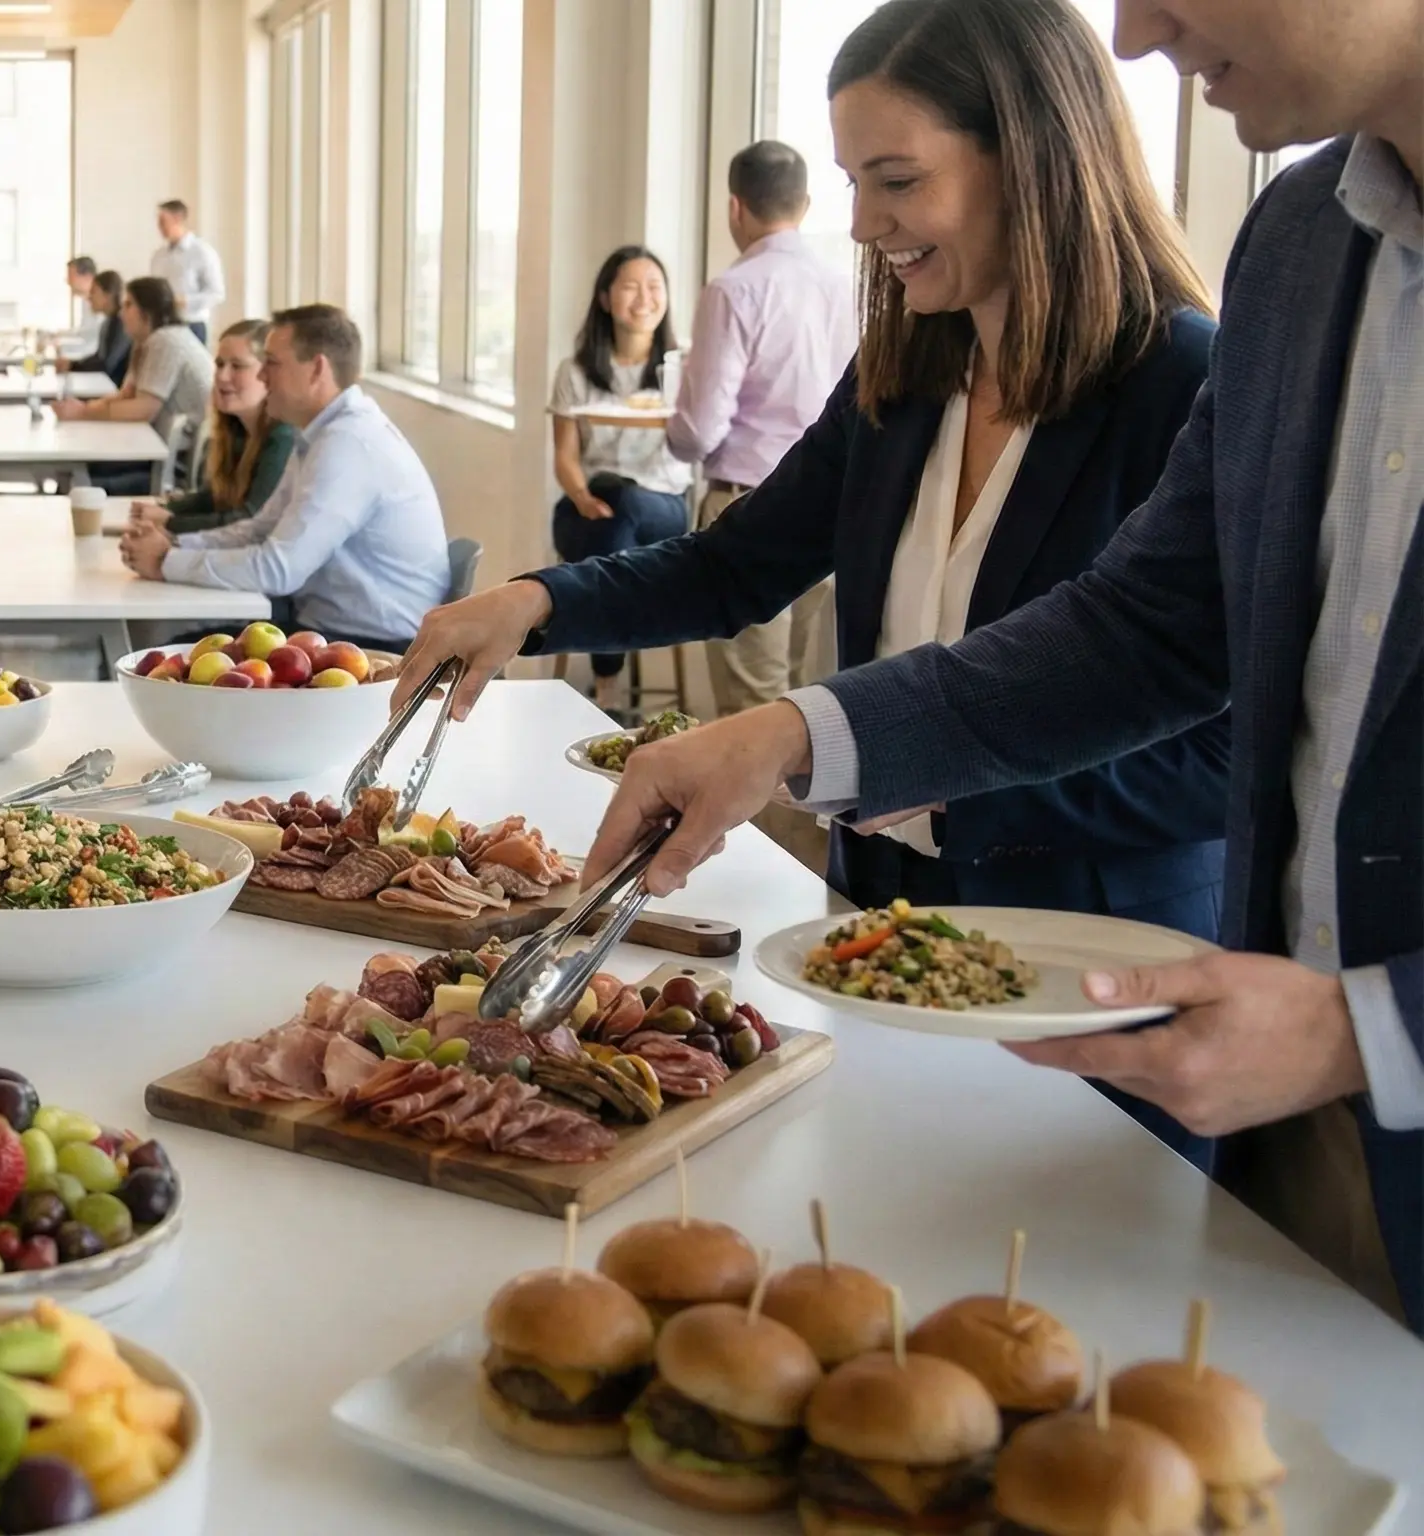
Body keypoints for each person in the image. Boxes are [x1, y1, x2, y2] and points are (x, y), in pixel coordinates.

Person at [568, 0, 1424, 1330]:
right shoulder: (1309, 240)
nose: (1134, 32)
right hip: (1277, 1110)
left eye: (894, 179)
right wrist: (793, 737)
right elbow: (1146, 628)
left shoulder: (1175, 351)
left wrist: (1381, 1031)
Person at [398, 0, 1231, 1165]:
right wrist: (536, 602)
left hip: (1100, 988)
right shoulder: (908, 371)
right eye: (851, 181)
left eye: (895, 180)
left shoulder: (1187, 381)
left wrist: (926, 776)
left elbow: (1225, 761)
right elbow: (739, 564)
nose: (862, 222)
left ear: (1032, 160)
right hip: (883, 938)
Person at [121, 306, 449, 651]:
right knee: (174, 649)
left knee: (170, 654)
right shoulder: (321, 434)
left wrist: (165, 562)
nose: (262, 377)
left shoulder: (348, 444)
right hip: (330, 631)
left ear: (316, 369)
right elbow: (259, 528)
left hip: (376, 649)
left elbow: (279, 569)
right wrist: (175, 545)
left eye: (272, 364)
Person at [667, 140, 860, 718]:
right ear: (804, 204)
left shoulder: (735, 288)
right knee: (812, 711)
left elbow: (701, 429)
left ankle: (757, 818)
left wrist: (673, 434)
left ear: (735, 207)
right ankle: (795, 816)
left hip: (750, 507)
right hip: (835, 512)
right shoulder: (844, 285)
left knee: (753, 710)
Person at [541, 246, 696, 708]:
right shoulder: (575, 371)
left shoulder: (683, 368)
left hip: (662, 504)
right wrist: (582, 497)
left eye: (654, 287)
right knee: (609, 519)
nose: (644, 298)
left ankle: (605, 681)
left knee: (620, 512)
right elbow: (565, 457)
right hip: (593, 501)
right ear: (606, 298)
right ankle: (610, 675)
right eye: (630, 287)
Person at [125, 318, 296, 538]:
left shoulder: (283, 437)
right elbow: (214, 496)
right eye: (220, 364)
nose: (223, 376)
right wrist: (165, 510)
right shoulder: (237, 428)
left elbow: (249, 519)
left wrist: (170, 522)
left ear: (267, 374)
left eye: (237, 366)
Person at [59, 276, 213, 495]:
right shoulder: (148, 341)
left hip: (170, 469)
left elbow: (142, 409)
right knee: (79, 465)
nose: (122, 313)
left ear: (148, 312)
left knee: (79, 475)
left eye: (129, 305)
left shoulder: (167, 340)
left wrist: (83, 412)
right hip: (157, 451)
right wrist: (84, 407)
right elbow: (126, 394)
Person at [148, 198, 225, 342]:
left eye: (163, 221)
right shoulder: (158, 256)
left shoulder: (202, 252)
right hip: (163, 325)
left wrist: (184, 301)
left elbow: (216, 293)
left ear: (177, 219)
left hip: (191, 324)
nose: (159, 226)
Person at [64, 268, 132, 386]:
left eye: (94, 292)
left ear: (107, 295)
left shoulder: (121, 324)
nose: (89, 297)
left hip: (114, 390)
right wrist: (71, 364)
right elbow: (99, 356)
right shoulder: (108, 322)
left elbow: (106, 364)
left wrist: (72, 365)